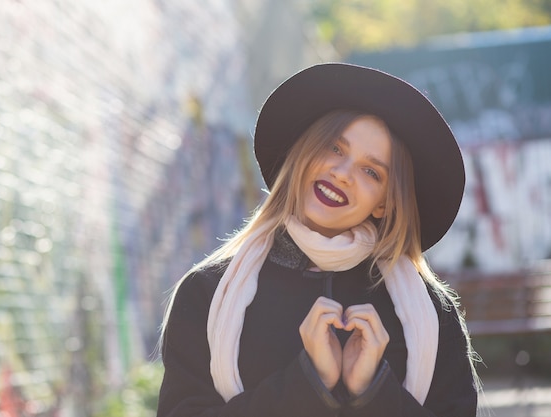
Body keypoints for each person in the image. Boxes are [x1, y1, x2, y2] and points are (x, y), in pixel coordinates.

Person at [157, 63, 480, 417]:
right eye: (334, 149)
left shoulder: (431, 313)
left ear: (385, 202)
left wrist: (374, 392)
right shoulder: (206, 292)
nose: (342, 174)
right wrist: (306, 385)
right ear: (303, 152)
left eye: (371, 172)